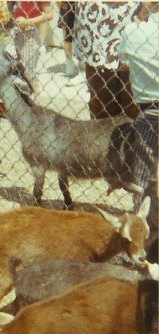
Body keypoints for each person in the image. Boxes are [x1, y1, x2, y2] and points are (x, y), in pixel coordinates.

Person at [117, 2, 158, 221]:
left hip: (150, 109)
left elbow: (122, 62)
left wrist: (141, 14)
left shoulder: (133, 31)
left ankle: (145, 225)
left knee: (143, 170)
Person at [73, 1, 140, 120]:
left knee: (132, 103)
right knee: (101, 102)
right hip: (96, 23)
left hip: (133, 20)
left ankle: (137, 135)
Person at [12, 1, 54, 94]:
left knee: (28, 70)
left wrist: (27, 22)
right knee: (11, 67)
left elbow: (50, 15)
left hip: (29, 33)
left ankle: (35, 95)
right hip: (12, 31)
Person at [57, 2, 79, 78]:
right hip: (67, 5)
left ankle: (82, 65)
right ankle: (69, 63)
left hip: (83, 5)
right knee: (66, 36)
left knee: (83, 35)